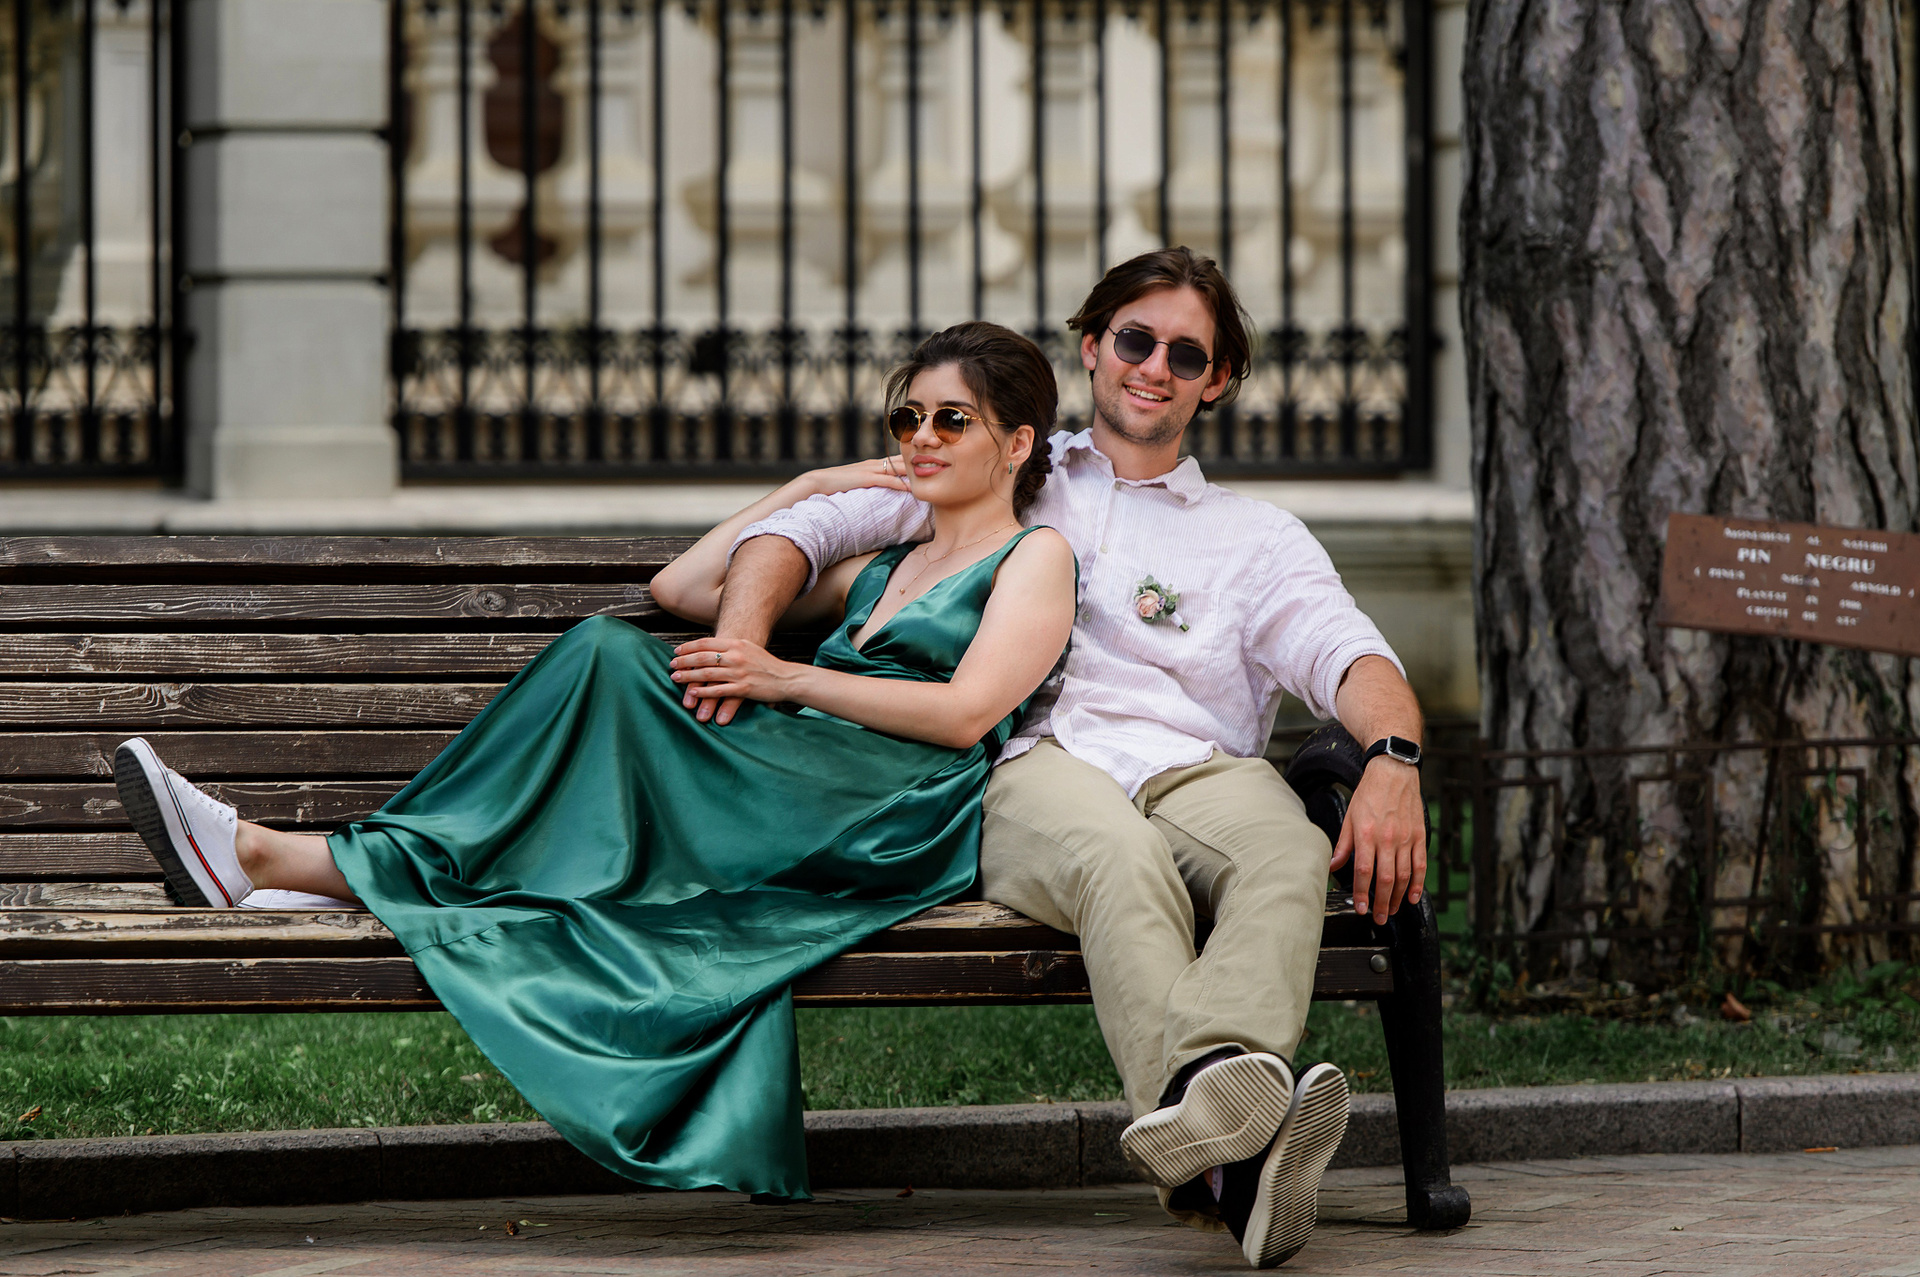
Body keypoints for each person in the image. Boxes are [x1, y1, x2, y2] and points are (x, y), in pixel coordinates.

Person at [108, 321, 1078, 1203]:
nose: (920, 438)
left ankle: (300, 861)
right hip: (803, 771)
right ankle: (330, 865)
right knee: (607, 651)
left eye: (951, 419)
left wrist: (786, 676)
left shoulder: (1035, 556)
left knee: (610, 661)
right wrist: (808, 489)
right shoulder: (883, 565)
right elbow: (682, 585)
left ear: (1017, 443)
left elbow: (966, 715)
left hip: (891, 805)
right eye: (908, 417)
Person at [665, 247, 1428, 1268]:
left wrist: (1392, 758)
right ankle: (1230, 1132)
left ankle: (1212, 1118)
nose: (1154, 367)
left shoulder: (1258, 538)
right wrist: (749, 642)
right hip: (1037, 759)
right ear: (1094, 346)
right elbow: (796, 536)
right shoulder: (1006, 464)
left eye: (1186, 354)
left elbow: (1350, 654)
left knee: (1286, 848)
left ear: (1217, 380)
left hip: (1198, 765)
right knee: (1118, 857)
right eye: (1136, 339)